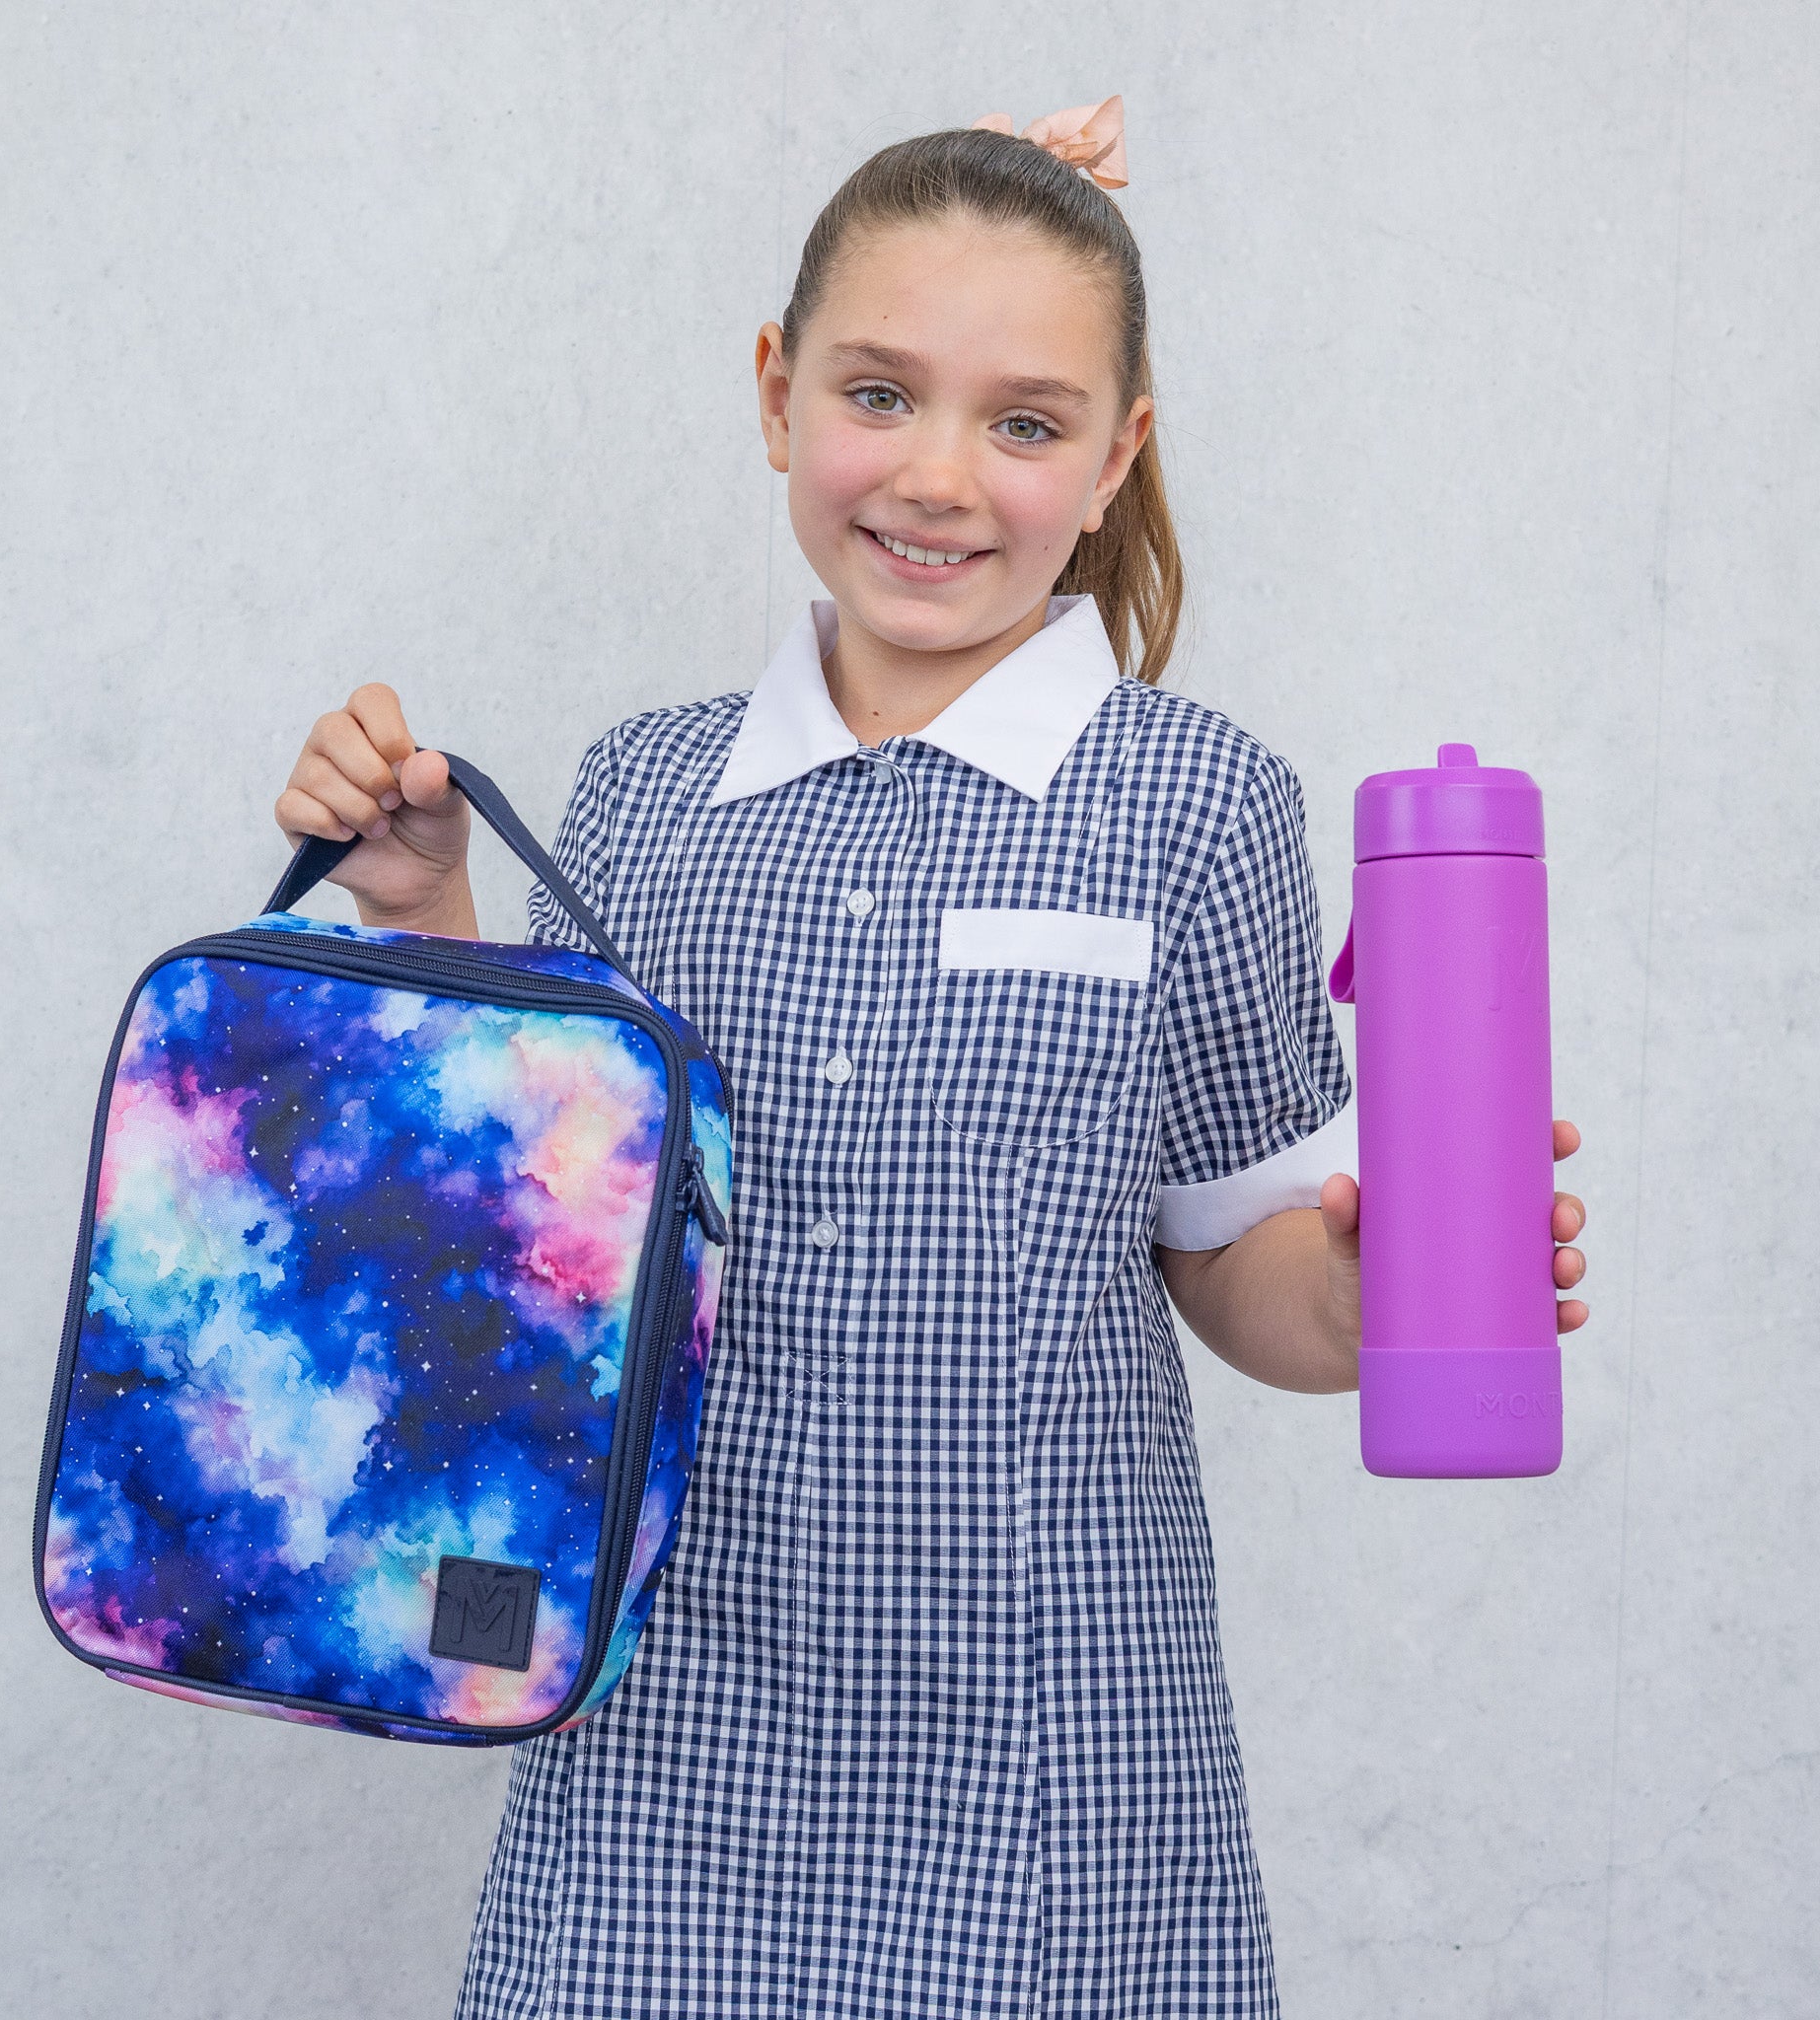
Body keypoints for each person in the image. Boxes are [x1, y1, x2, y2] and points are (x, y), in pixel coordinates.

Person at [275, 104, 1590, 2020]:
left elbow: (1235, 1257)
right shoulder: (643, 794)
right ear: (775, 389)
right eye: (879, 394)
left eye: (1026, 422)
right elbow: (539, 1230)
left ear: (1116, 454)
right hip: (664, 1733)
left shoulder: (1196, 805)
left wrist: (1377, 1287)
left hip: (1044, 1754)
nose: (940, 477)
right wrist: (427, 902)